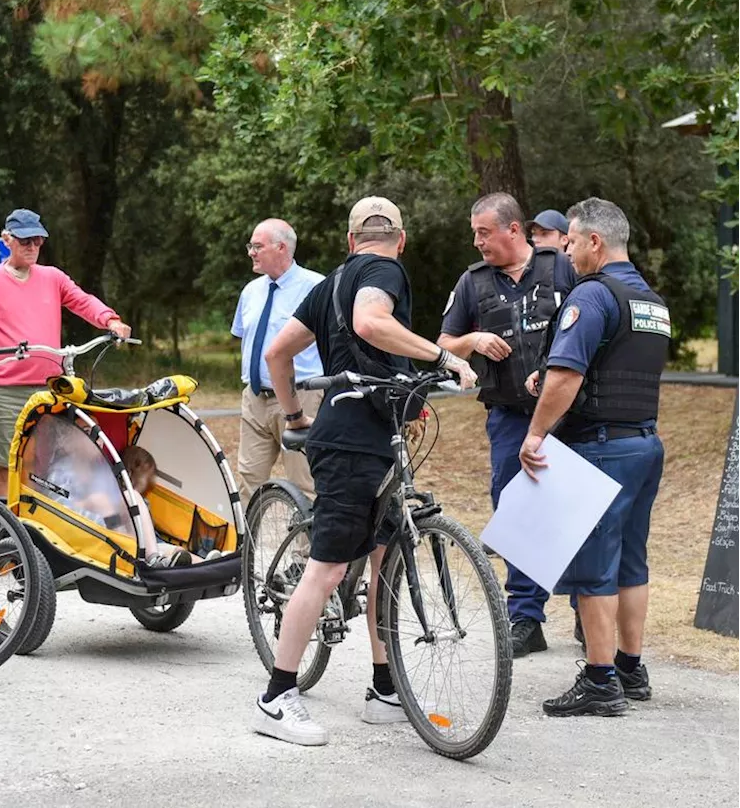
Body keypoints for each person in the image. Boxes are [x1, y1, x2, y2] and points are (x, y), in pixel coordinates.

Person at [253, 196, 476, 746]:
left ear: (351, 240)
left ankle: (384, 687)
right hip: (353, 443)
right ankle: (276, 697)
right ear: (401, 240)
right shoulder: (383, 270)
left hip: (373, 434)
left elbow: (277, 354)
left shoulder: (329, 282)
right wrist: (443, 358)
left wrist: (295, 415)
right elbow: (370, 321)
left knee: (383, 558)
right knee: (328, 568)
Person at [520, 197, 668, 717]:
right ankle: (631, 667)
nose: (567, 249)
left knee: (595, 565)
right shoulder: (649, 300)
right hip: (645, 443)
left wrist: (536, 434)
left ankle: (601, 680)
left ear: (595, 242)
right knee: (632, 559)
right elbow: (617, 364)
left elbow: (568, 374)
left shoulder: (593, 295)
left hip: (600, 448)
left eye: (572, 240)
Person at [436, 192, 577, 658]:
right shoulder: (473, 283)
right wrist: (473, 339)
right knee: (517, 513)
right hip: (509, 418)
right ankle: (526, 618)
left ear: (513, 229)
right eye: (475, 234)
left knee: (575, 511)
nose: (477, 242)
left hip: (568, 418)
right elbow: (444, 344)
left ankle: (585, 609)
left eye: (484, 232)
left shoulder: (561, 269)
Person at [0, 208, 131, 497]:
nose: (32, 246)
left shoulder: (52, 277)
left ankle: (36, 531)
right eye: (24, 241)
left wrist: (111, 320)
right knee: (8, 463)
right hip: (8, 389)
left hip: (50, 387)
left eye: (37, 240)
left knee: (46, 464)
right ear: (7, 240)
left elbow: (82, 301)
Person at [231, 219, 325, 503]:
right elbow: (243, 338)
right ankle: (247, 547)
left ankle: (306, 549)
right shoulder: (250, 291)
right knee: (248, 480)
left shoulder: (316, 287)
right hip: (255, 398)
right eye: (251, 246)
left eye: (257, 246)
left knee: (304, 483)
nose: (251, 252)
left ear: (281, 247)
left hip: (301, 396)